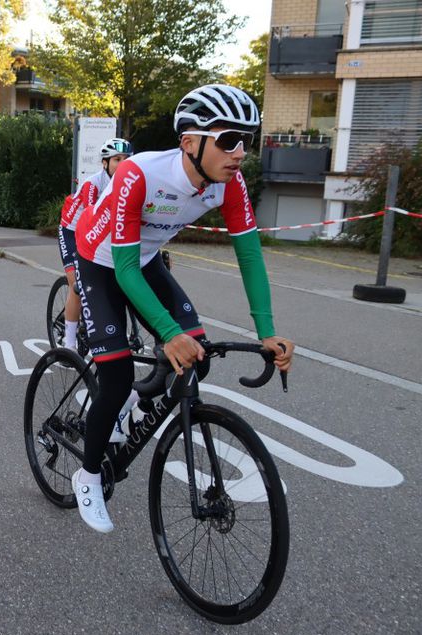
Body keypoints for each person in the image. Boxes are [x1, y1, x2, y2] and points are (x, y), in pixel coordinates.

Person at [71, 84, 295, 534]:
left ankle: (133, 400)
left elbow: (249, 256)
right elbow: (124, 267)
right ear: (191, 142)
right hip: (101, 259)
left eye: (246, 142)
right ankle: (89, 474)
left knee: (197, 353)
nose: (239, 153)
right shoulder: (139, 172)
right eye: (229, 139)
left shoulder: (229, 186)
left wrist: (267, 330)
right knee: (114, 377)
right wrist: (166, 331)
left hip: (145, 259)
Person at [57, 138, 134, 351]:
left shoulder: (131, 183)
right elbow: (91, 217)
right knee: (78, 285)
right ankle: (68, 344)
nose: (122, 163)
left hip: (97, 233)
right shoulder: (93, 184)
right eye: (117, 159)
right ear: (105, 163)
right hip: (73, 231)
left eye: (127, 159)